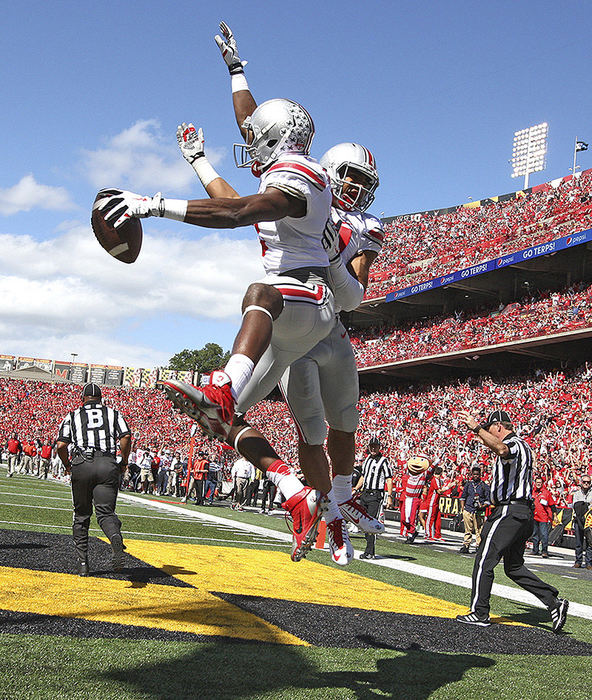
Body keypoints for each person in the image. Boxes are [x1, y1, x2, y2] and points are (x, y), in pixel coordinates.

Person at [97, 40, 336, 561]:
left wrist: (151, 204)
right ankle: (293, 491)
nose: (248, 143)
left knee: (258, 292)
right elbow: (235, 193)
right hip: (291, 322)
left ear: (279, 142)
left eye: (258, 140)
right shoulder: (284, 172)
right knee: (215, 423)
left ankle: (225, 383)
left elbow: (236, 213)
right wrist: (235, 73)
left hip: (308, 298)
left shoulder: (305, 175)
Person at [456, 409, 568, 633]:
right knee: (514, 567)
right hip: (520, 513)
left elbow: (502, 448)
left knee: (484, 559)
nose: (487, 434)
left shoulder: (514, 443)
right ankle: (553, 602)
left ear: (498, 426)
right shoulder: (523, 446)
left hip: (510, 512)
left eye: (489, 429)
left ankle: (479, 612)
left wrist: (477, 428)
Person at [56, 383, 131, 577]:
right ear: (101, 399)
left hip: (82, 464)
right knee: (106, 513)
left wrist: (67, 465)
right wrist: (124, 460)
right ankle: (115, 537)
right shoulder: (113, 413)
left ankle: (83, 564)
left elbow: (61, 445)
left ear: (83, 399)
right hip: (107, 463)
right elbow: (125, 437)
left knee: (81, 515)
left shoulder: (73, 415)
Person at [355, 439, 393, 559]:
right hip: (365, 493)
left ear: (379, 447)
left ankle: (370, 551)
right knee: (364, 522)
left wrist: (390, 496)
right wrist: (356, 489)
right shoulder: (367, 460)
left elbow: (389, 479)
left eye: (375, 446)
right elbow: (363, 476)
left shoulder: (383, 461)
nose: (373, 449)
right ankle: (368, 550)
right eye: (371, 446)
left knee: (371, 521)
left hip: (375, 495)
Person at [400, 455, 434, 543]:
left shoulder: (423, 475)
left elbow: (431, 468)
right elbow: (404, 462)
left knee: (411, 518)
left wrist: (439, 457)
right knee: (404, 519)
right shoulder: (408, 472)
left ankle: (411, 534)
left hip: (415, 498)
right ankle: (412, 531)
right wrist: (402, 451)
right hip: (407, 498)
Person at [459, 467, 491, 554]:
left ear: (480, 475)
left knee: (479, 529)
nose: (476, 476)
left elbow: (488, 500)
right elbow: (462, 497)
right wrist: (463, 509)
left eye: (477, 474)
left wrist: (482, 506)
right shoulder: (468, 484)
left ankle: (478, 545)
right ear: (471, 475)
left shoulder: (484, 486)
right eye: (474, 474)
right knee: (467, 529)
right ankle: (466, 545)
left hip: (479, 511)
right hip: (468, 508)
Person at [571, 474, 592, 569]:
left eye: (588, 482)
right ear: (581, 483)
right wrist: (586, 505)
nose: (586, 484)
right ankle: (578, 561)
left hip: (589, 521)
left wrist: (584, 505)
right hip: (578, 520)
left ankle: (589, 562)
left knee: (590, 542)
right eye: (584, 482)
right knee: (578, 542)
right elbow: (577, 506)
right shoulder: (577, 494)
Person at [532, 476, 554, 557]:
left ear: (542, 483)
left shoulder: (546, 493)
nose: (538, 484)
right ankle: (535, 550)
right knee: (535, 534)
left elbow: (552, 505)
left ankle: (544, 551)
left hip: (543, 517)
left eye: (540, 483)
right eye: (537, 482)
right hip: (534, 516)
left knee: (544, 534)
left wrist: (554, 515)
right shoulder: (532, 492)